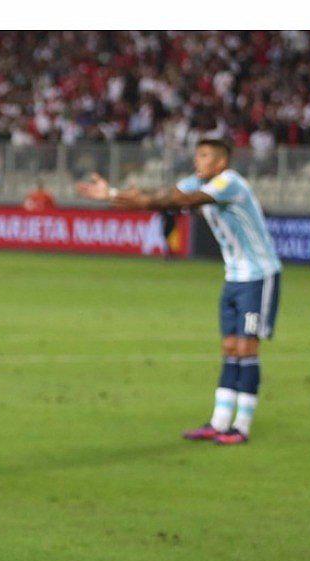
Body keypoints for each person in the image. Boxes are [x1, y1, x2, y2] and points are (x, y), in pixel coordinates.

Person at [77, 138, 282, 445]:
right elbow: (157, 197)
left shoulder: (229, 183)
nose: (197, 160)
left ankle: (241, 427)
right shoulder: (194, 182)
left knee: (246, 350)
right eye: (197, 155)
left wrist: (120, 196)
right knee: (229, 347)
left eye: (204, 156)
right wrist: (111, 194)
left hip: (259, 276)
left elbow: (177, 202)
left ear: (221, 163)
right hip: (234, 278)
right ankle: (219, 422)